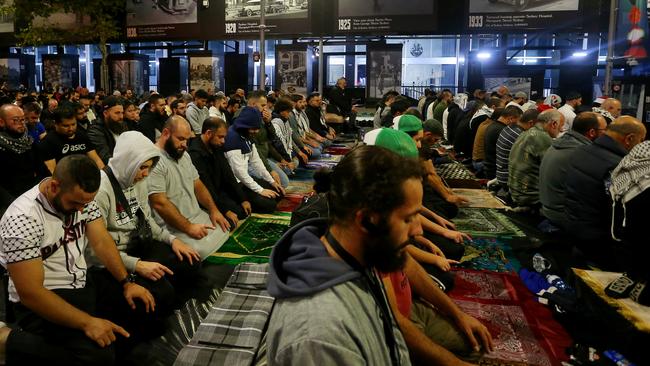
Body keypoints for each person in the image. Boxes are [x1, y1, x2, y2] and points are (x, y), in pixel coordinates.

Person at [267, 146, 492, 365]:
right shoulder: (320, 337)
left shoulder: (359, 256)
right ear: (367, 220)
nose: (418, 231)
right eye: (408, 218)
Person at [0, 155, 155, 365]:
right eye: (75, 203)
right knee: (97, 355)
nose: (82, 209)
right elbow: (30, 293)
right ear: (54, 187)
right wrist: (87, 323)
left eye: (86, 203)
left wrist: (127, 282)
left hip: (81, 281)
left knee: (146, 304)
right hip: (45, 295)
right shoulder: (22, 220)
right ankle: (8, 339)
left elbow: (101, 241)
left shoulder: (81, 199)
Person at [89, 131, 203, 322]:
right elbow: (94, 251)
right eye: (142, 167)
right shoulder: (100, 191)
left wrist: (172, 239)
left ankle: (178, 313)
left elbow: (146, 220)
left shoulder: (140, 180)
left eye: (149, 168)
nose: (145, 173)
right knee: (160, 294)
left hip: (139, 244)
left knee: (190, 261)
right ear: (128, 162)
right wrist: (137, 265)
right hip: (113, 259)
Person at [564, 116, 646, 268]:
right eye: (641, 140)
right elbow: (620, 217)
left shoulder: (580, 150)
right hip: (600, 244)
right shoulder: (618, 167)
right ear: (629, 139)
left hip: (575, 229)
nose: (641, 145)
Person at [147, 116, 230, 259]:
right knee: (200, 251)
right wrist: (189, 227)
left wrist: (213, 210)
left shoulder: (183, 155)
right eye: (180, 139)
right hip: (172, 226)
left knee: (225, 228)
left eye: (187, 140)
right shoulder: (153, 160)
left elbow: (197, 185)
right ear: (166, 134)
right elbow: (160, 203)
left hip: (195, 216)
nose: (185, 145)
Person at [539, 112, 606, 229]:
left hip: (548, 209)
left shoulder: (561, 142)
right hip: (561, 216)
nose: (607, 134)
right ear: (592, 132)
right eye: (604, 130)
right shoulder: (581, 152)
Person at [188, 117, 252, 223]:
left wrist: (242, 199)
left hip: (220, 191)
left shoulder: (216, 145)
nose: (223, 141)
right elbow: (206, 186)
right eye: (220, 137)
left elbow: (228, 174)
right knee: (231, 221)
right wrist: (225, 211)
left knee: (244, 210)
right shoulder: (195, 153)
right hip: (207, 197)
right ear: (208, 133)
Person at [223, 107, 285, 213]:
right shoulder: (232, 139)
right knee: (269, 205)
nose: (256, 131)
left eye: (257, 128)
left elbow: (256, 161)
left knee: (278, 192)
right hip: (235, 184)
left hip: (244, 178)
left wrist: (272, 181)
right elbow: (239, 173)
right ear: (244, 126)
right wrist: (260, 190)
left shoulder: (247, 134)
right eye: (253, 129)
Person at [509, 109, 564, 209]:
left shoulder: (526, 132)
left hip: (515, 191)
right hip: (529, 197)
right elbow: (552, 171)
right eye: (561, 126)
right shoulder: (542, 137)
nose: (561, 130)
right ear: (554, 124)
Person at [0, 104, 49, 213]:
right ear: (1, 122)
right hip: (7, 199)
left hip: (30, 193)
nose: (21, 123)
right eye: (15, 120)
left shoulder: (29, 142)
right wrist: (16, 204)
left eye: (23, 119)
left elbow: (42, 170)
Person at [38, 105, 105, 174]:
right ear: (56, 124)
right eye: (65, 126)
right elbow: (52, 172)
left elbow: (96, 160)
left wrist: (105, 176)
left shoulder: (82, 136)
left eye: (73, 124)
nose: (71, 129)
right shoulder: (48, 142)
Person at [494, 109, 538, 192]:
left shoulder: (509, 128)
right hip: (508, 179)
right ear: (531, 123)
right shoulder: (520, 135)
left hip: (500, 175)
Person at [483, 106, 523, 180]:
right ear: (511, 118)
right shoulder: (503, 130)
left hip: (489, 166)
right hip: (495, 171)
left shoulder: (492, 125)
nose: (518, 124)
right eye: (518, 121)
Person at [88, 96, 127, 165]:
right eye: (117, 113)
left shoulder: (121, 125)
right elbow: (106, 158)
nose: (121, 117)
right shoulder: (95, 131)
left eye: (122, 112)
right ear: (105, 113)